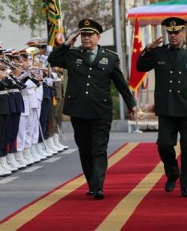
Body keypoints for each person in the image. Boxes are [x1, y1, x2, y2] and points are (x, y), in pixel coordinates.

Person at [48, 19, 136, 200]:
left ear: (98, 37)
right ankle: (92, 182)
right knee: (85, 148)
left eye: (90, 35)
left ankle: (98, 186)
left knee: (99, 148)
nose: (86, 38)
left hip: (101, 111)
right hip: (79, 110)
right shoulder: (72, 55)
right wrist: (66, 44)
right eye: (83, 35)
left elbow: (120, 82)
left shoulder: (110, 57)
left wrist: (131, 103)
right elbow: (52, 59)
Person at [136, 17, 187, 198]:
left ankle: (185, 183)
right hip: (167, 108)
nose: (173, 36)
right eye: (170, 33)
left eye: (177, 32)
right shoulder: (159, 53)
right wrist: (147, 49)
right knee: (163, 145)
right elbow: (140, 67)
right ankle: (172, 173)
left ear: (183, 33)